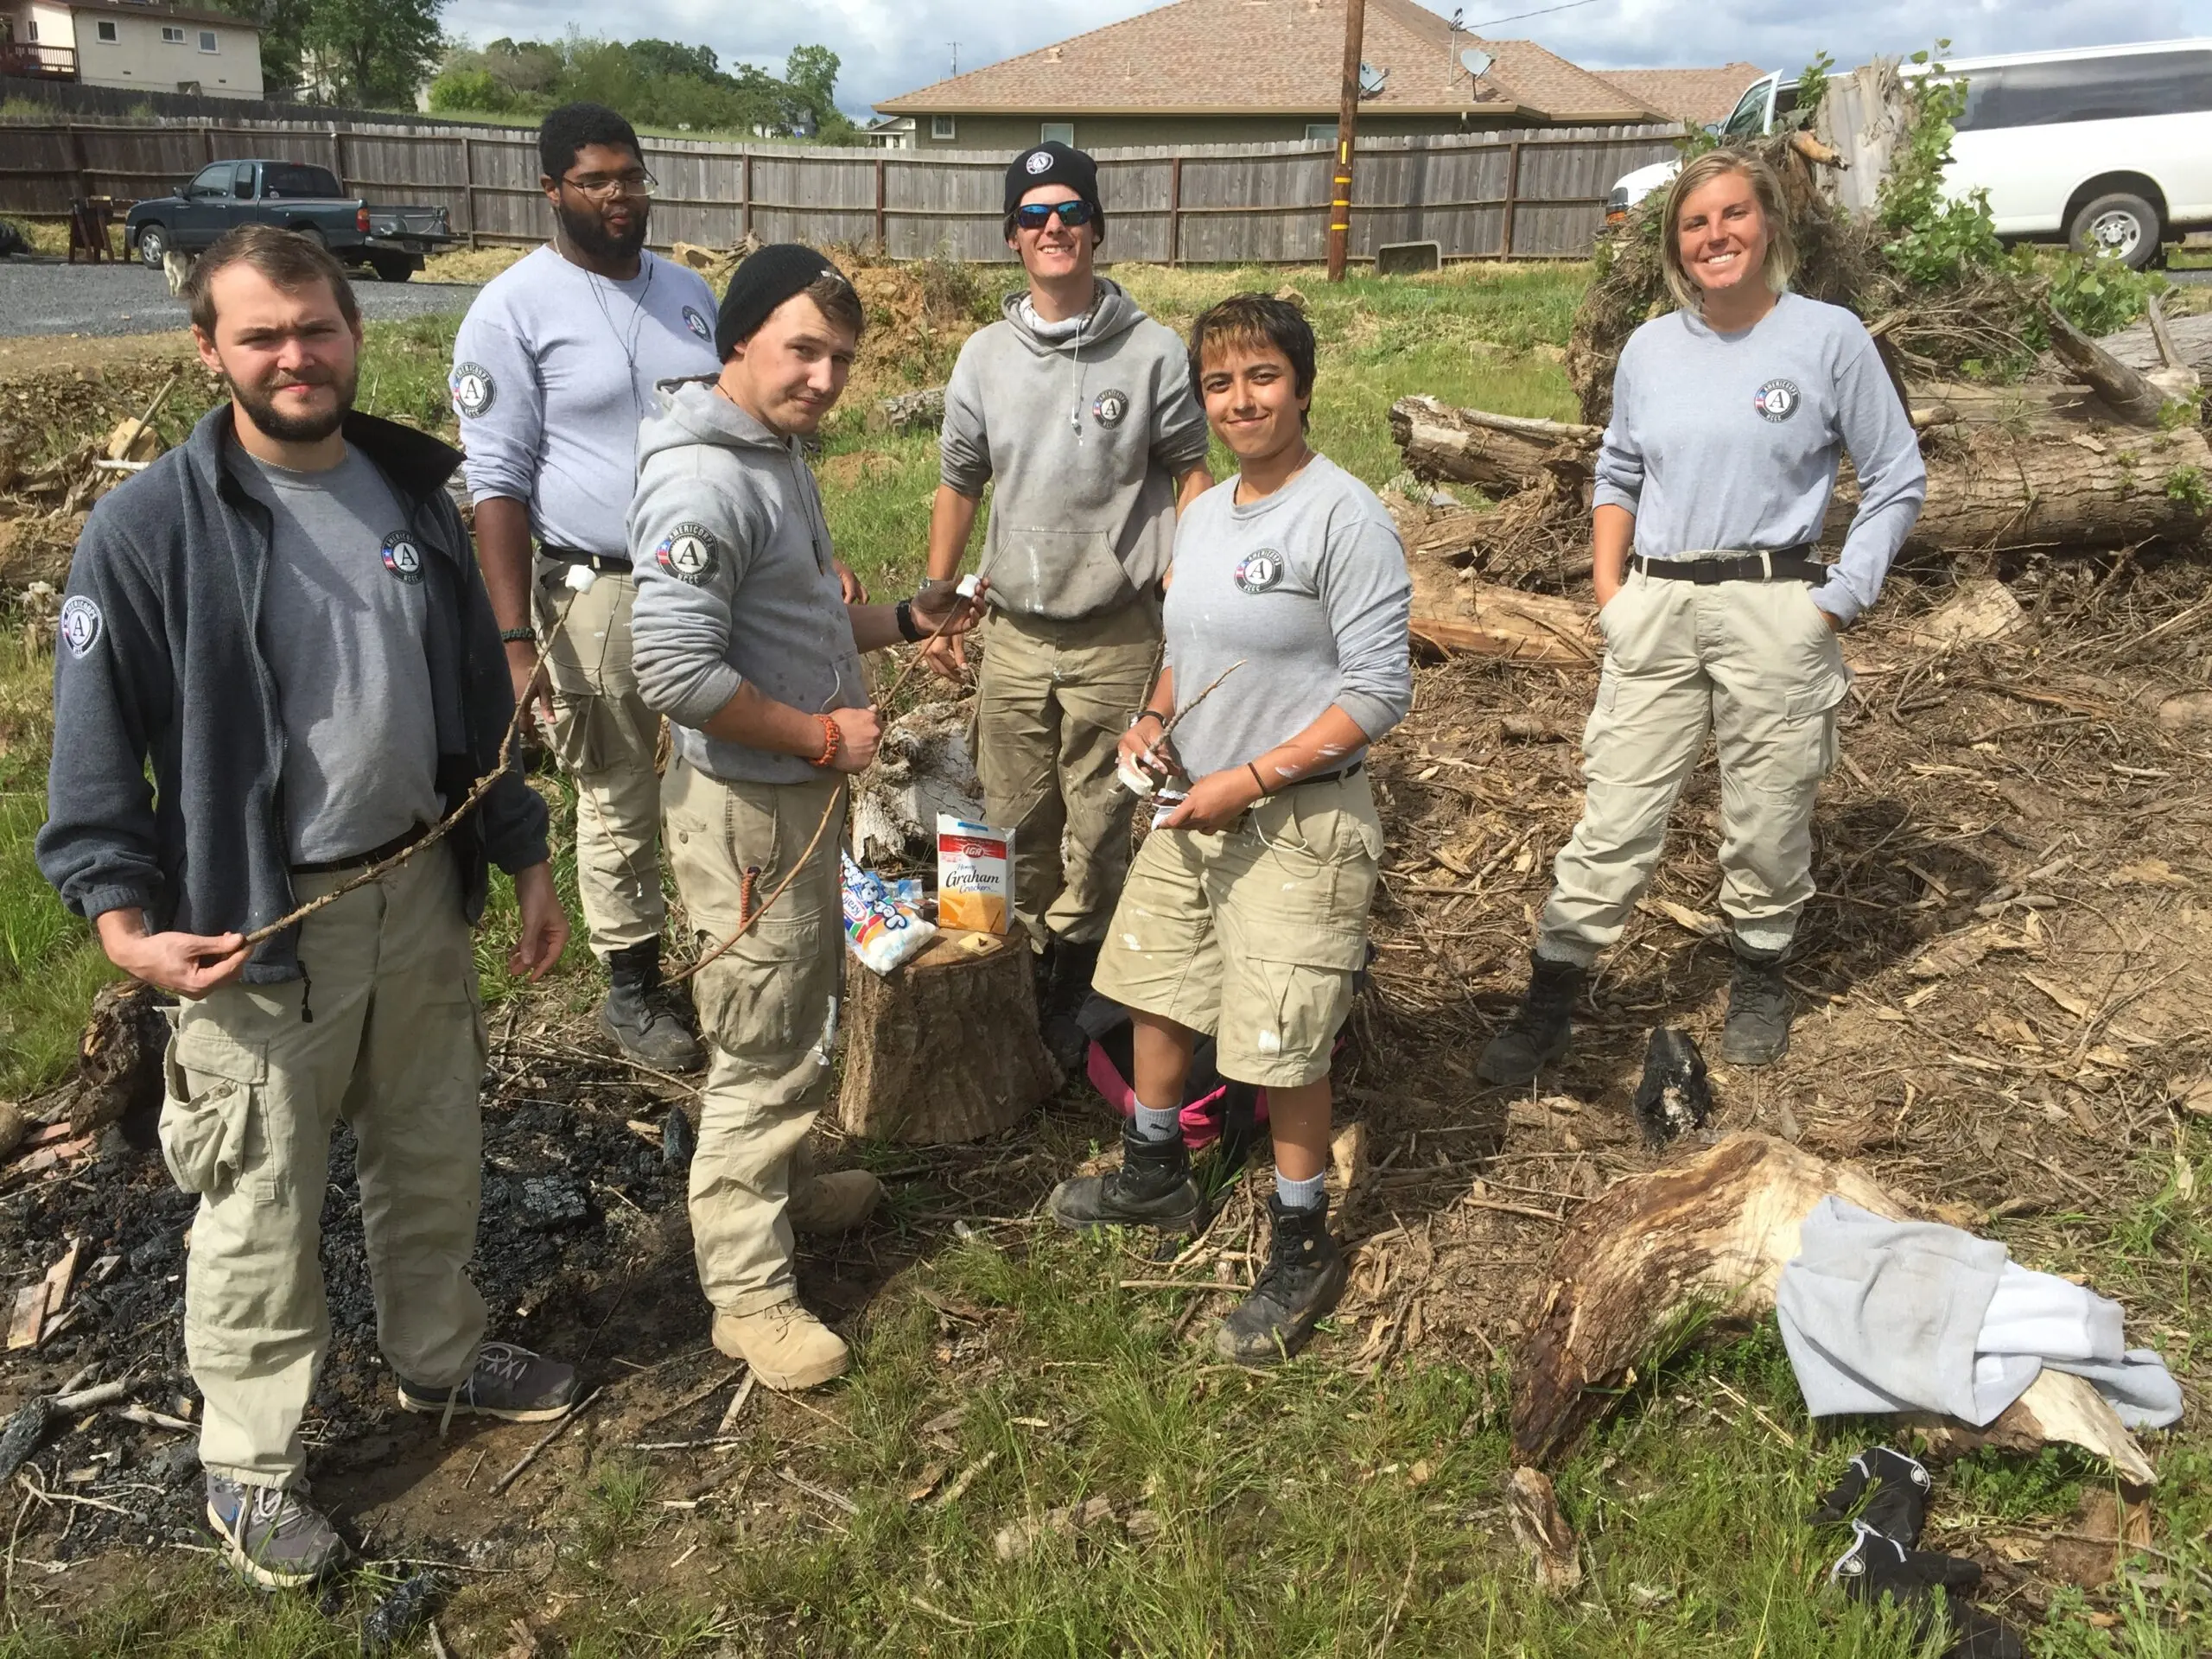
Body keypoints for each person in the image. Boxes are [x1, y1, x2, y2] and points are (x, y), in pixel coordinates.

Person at [36, 226, 578, 1589]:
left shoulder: (408, 495)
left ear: (354, 334)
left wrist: (522, 855)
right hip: (256, 928)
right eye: (261, 335)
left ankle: (439, 1356)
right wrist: (120, 921)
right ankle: (252, 1465)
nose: (295, 355)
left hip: (416, 888)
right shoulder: (154, 525)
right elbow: (94, 748)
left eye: (317, 328)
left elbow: (472, 705)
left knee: (431, 1144)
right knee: (259, 1198)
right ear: (209, 349)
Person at [1478, 149, 1926, 1084]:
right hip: (1660, 600)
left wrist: (1838, 601)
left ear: (1768, 226)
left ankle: (1760, 970)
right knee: (1615, 813)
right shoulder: (1651, 348)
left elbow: (1895, 480)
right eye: (1694, 223)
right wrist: (1612, 592)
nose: (1714, 237)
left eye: (1731, 217)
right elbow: (1618, 471)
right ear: (1675, 245)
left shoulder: (1827, 338)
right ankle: (1550, 1000)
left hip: (1777, 602)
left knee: (1768, 811)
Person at [628, 245, 983, 1390]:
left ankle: (781, 1188)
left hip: (794, 800)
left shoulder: (773, 453)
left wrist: (897, 617)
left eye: (840, 358)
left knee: (801, 1009)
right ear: (735, 342)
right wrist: (824, 737)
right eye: (801, 351)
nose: (825, 379)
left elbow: (791, 624)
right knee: (764, 1039)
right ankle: (749, 1295)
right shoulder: (703, 481)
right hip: (749, 810)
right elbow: (674, 670)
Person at [1048, 294, 1411, 1364]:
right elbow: (1183, 651)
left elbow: (1380, 690)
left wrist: (1251, 777)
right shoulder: (1202, 517)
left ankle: (1302, 1241)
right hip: (1191, 802)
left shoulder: (1344, 515)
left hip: (1297, 819)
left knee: (1282, 1035)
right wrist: (1156, 723)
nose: (1241, 400)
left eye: (1261, 377)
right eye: (1219, 383)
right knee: (1160, 987)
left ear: (1300, 386)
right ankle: (1154, 1174)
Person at [920, 141, 1212, 1050]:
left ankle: (1078, 977)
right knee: (1007, 807)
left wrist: (1189, 580)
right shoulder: (983, 358)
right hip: (1013, 627)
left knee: (1100, 813)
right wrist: (936, 598)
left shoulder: (1153, 352)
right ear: (1012, 237)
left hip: (1116, 629)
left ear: (1095, 230)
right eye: (1035, 215)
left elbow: (1190, 472)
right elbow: (960, 481)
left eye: (1069, 213)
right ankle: (997, 959)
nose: (1053, 229)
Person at [450, 103, 721, 1073]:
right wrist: (515, 640)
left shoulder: (689, 295)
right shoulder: (514, 308)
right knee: (614, 790)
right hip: (593, 593)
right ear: (552, 189)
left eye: (633, 176)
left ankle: (719, 951)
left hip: (705, 583)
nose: (619, 196)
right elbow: (497, 484)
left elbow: (740, 431)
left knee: (715, 767)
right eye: (598, 180)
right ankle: (632, 987)